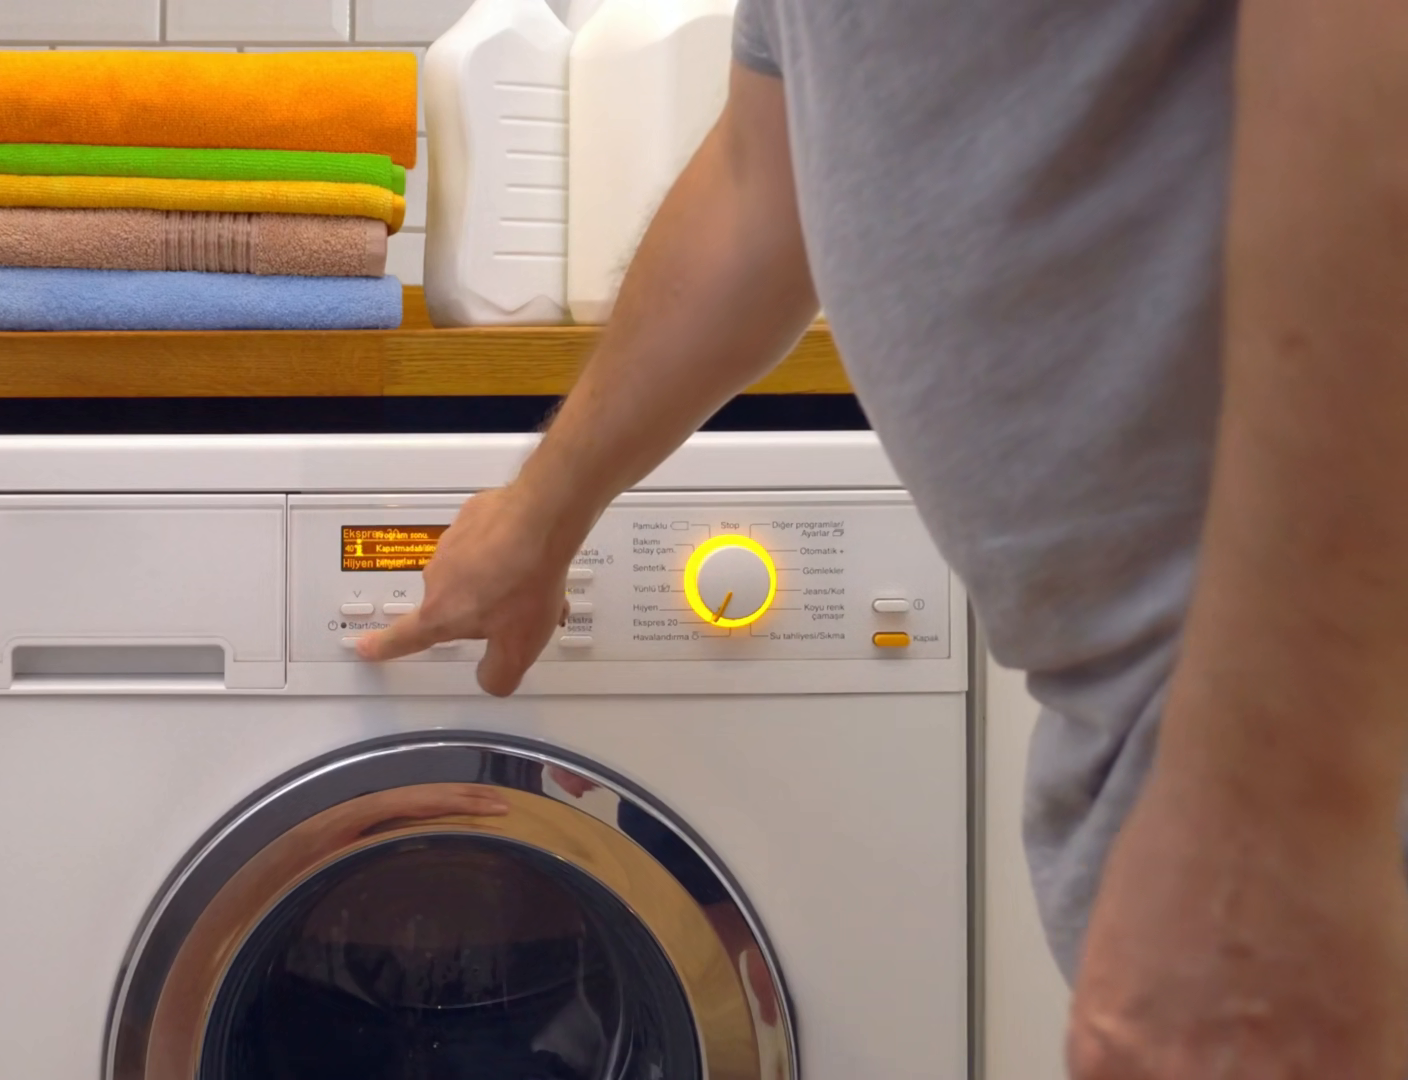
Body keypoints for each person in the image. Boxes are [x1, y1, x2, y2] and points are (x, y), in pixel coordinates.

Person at [360, 0, 1408, 1075]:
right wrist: (542, 511)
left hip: (1316, 727)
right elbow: (760, 183)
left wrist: (1274, 822)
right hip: (1180, 733)